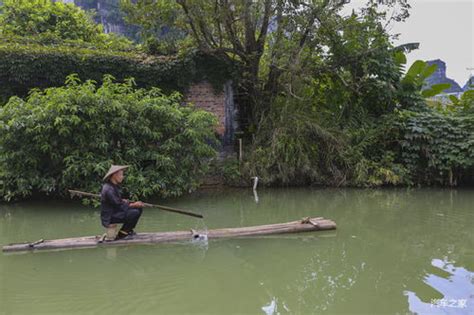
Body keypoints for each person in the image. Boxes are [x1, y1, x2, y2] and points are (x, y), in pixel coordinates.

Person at [100, 165, 144, 240]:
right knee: (134, 212)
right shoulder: (109, 189)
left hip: (115, 211)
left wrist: (124, 201)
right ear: (114, 175)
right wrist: (133, 204)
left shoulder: (113, 186)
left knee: (139, 208)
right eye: (121, 175)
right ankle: (123, 234)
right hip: (110, 216)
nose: (122, 177)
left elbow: (118, 201)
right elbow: (119, 206)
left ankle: (127, 230)